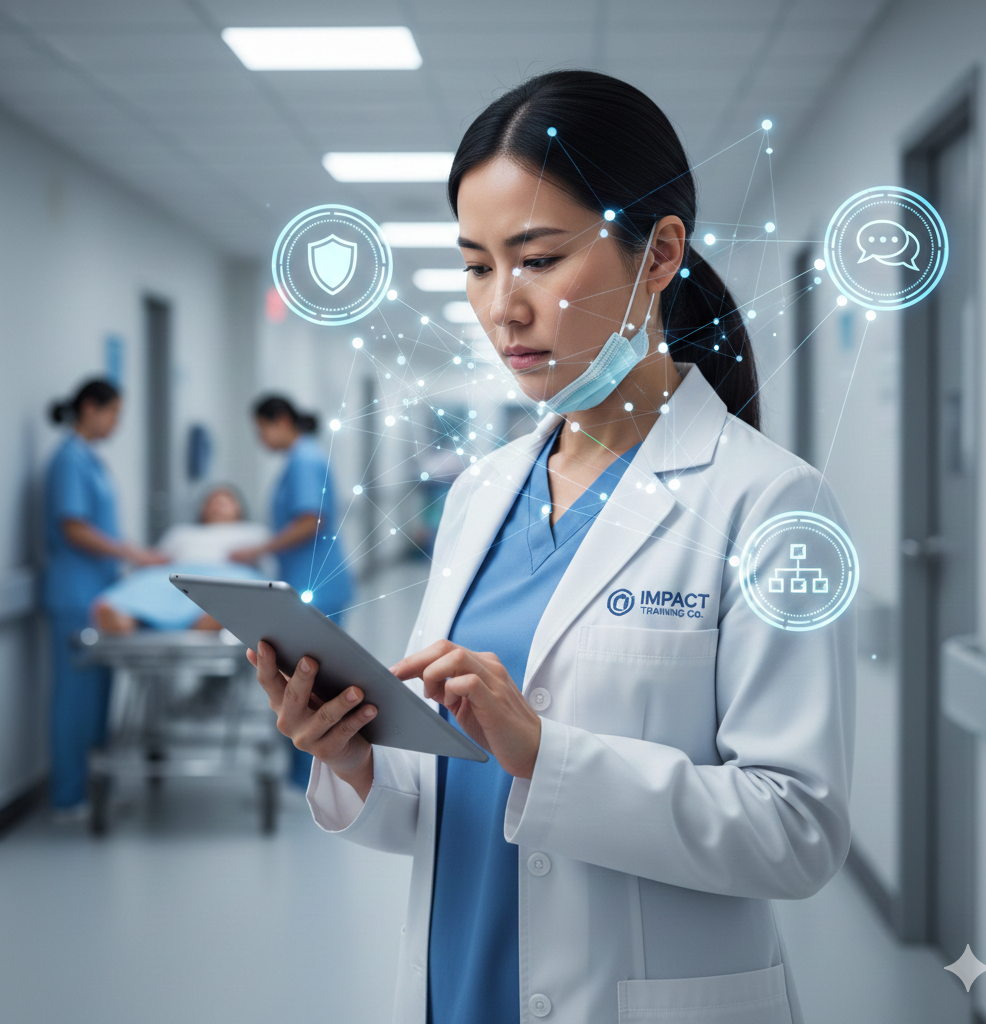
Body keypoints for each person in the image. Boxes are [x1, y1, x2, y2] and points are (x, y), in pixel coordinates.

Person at [250, 70, 855, 1024]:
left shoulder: (769, 501)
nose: (502, 307)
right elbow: (442, 798)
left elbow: (797, 831)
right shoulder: (482, 495)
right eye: (478, 265)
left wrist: (546, 752)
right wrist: (358, 754)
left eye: (535, 258)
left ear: (659, 254)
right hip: (461, 987)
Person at [44, 379, 167, 817]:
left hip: (99, 594)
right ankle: (69, 796)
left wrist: (134, 556)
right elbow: (73, 527)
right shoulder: (68, 460)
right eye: (114, 413)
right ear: (91, 408)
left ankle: (94, 788)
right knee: (76, 700)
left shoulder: (89, 460)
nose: (117, 423)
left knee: (97, 699)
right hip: (75, 597)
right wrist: (129, 552)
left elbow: (103, 529)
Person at [234, 396, 353, 787]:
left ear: (281, 420)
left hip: (314, 586)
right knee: (305, 683)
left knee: (310, 686)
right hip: (309, 583)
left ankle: (311, 777)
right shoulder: (303, 458)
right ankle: (304, 774)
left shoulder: (304, 459)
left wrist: (259, 549)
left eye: (261, 430)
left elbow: (310, 520)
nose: (261, 439)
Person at [93, 485, 271, 633]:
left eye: (224, 502)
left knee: (233, 590)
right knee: (148, 584)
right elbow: (160, 558)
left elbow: (266, 566)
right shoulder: (181, 533)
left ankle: (207, 621)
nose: (217, 506)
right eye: (212, 502)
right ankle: (123, 618)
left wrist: (249, 555)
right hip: (177, 575)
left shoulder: (253, 533)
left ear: (239, 508)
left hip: (227, 572)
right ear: (203, 509)